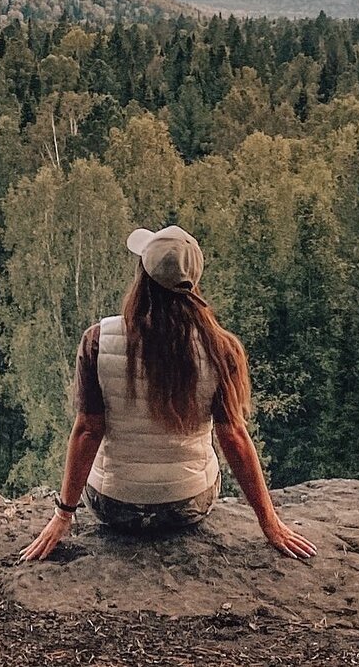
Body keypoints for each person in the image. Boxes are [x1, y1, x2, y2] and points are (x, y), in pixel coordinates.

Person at [20, 225, 317, 562]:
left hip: (115, 507)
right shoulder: (221, 349)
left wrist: (63, 515)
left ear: (141, 278)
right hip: (187, 506)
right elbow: (233, 436)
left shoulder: (98, 340)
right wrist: (270, 523)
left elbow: (89, 430)